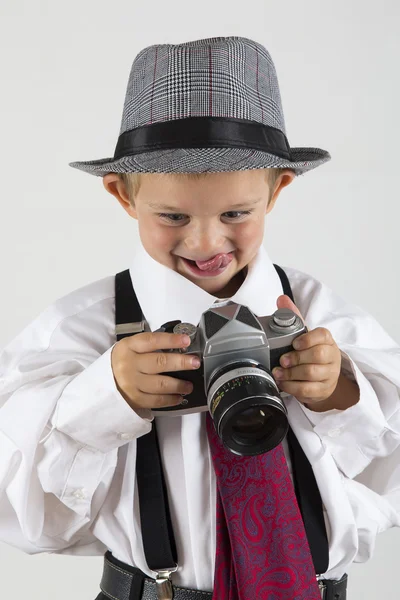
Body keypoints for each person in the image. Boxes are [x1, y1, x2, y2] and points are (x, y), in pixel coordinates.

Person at [1, 35, 399, 600]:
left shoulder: (316, 312)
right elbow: (21, 510)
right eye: (172, 215)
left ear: (278, 190)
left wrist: (340, 392)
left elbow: (390, 463)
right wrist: (107, 397)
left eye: (237, 212)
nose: (206, 240)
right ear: (122, 195)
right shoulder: (83, 328)